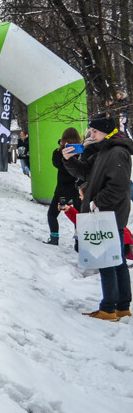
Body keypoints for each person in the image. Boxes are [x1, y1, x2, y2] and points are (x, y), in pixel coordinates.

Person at [63, 113, 133, 321]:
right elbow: (86, 173)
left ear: (106, 130)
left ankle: (108, 308)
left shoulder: (117, 152)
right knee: (116, 260)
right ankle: (121, 306)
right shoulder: (105, 149)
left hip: (108, 215)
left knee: (107, 261)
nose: (91, 135)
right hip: (107, 214)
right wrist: (69, 160)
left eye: (94, 131)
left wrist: (96, 202)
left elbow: (118, 186)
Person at [46, 128, 82, 245]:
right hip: (78, 191)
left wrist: (61, 149)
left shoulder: (59, 153)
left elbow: (57, 164)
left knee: (52, 213)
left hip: (63, 193)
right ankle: (79, 241)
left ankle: (54, 237)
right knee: (79, 216)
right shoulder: (82, 151)